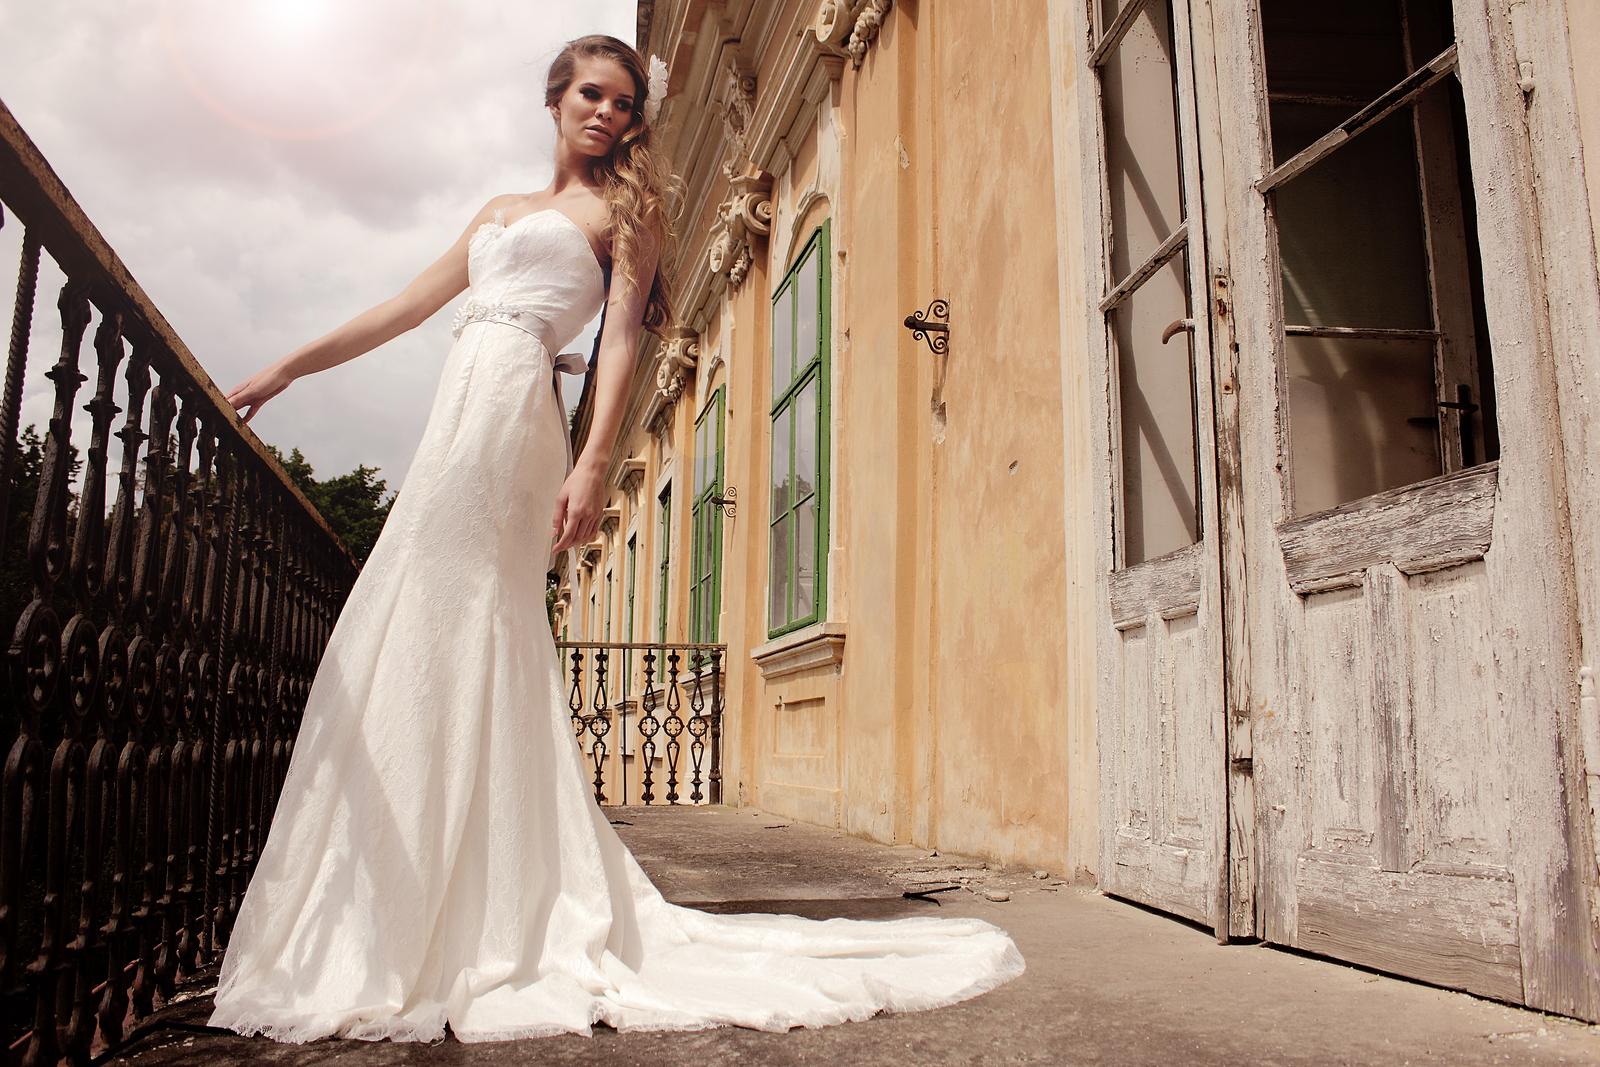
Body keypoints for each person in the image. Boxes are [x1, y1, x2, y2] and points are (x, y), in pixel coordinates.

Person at [206, 34, 1024, 1043]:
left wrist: (593, 464)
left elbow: (622, 339)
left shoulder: (624, 211)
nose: (606, 112)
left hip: (515, 414)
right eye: (591, 94)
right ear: (554, 100)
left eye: (623, 102)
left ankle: (470, 899)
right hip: (458, 407)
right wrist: (288, 367)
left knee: (466, 613)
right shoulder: (497, 212)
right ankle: (411, 889)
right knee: (419, 614)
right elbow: (402, 309)